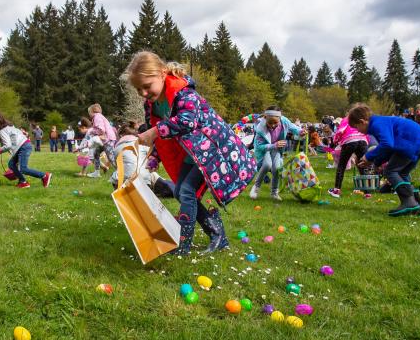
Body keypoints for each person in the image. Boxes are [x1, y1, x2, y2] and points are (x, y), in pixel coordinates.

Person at [128, 51, 255, 255]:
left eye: (146, 86)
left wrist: (153, 132)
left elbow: (188, 121)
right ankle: (216, 233)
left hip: (212, 148)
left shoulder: (184, 93)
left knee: (187, 191)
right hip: (192, 151)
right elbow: (160, 131)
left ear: (162, 74)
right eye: (138, 89)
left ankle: (182, 243)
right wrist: (155, 155)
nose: (143, 92)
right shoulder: (152, 104)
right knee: (180, 192)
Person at [348, 103, 420, 217]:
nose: (358, 131)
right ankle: (418, 207)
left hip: (414, 141)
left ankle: (409, 203)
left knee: (390, 171)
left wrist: (368, 156)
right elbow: (388, 149)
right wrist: (375, 162)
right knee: (402, 173)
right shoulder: (379, 122)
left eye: (356, 127)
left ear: (363, 121)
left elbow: (387, 144)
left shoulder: (377, 124)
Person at [0, 109, 52, 188]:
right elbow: (16, 138)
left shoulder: (1, 130)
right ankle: (23, 182)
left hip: (23, 147)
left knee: (23, 169)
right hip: (24, 145)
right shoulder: (9, 126)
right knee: (11, 164)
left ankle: (44, 176)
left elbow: (8, 145)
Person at [250, 108, 301, 201]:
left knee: (276, 168)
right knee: (267, 165)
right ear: (265, 118)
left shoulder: (284, 121)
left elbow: (293, 128)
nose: (273, 126)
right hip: (265, 149)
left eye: (275, 123)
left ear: (280, 118)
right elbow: (259, 146)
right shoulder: (260, 128)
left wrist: (300, 131)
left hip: (276, 149)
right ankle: (256, 188)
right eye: (270, 123)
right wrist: (274, 145)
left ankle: (274, 193)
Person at [328, 114, 370, 198]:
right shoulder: (360, 118)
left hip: (349, 140)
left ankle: (336, 190)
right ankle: (367, 193)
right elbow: (366, 131)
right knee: (363, 166)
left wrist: (335, 141)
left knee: (342, 166)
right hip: (363, 140)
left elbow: (340, 131)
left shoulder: (346, 119)